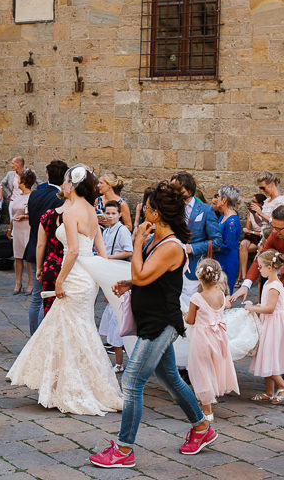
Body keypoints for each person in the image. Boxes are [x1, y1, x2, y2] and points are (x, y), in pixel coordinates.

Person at [90, 182, 215, 469]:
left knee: (132, 382)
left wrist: (135, 244)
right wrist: (130, 282)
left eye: (146, 208)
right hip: (152, 319)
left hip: (161, 324)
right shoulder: (158, 241)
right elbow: (150, 277)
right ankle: (201, 428)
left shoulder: (170, 246)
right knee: (170, 378)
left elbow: (145, 275)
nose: (144, 211)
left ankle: (123, 449)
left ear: (156, 214)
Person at [8, 165, 124, 415]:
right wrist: (102, 276)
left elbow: (71, 251)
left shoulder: (71, 213)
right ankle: (66, 382)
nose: (63, 185)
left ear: (73, 184)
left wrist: (60, 280)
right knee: (76, 328)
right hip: (87, 278)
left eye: (65, 181)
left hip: (73, 276)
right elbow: (100, 246)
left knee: (73, 329)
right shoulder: (92, 211)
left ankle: (70, 386)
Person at [185, 259, 239, 421]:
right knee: (214, 366)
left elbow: (190, 320)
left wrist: (184, 314)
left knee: (201, 370)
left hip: (202, 337)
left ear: (199, 278)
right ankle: (212, 396)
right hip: (218, 337)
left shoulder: (196, 297)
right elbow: (226, 307)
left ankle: (207, 411)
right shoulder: (221, 295)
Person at [245, 249, 284, 404]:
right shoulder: (268, 282)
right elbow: (266, 305)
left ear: (270, 267)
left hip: (274, 324)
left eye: (260, 266)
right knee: (265, 354)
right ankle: (268, 391)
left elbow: (270, 308)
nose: (258, 269)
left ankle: (283, 386)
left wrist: (252, 308)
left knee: (268, 355)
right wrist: (259, 305)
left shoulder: (274, 286)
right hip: (269, 322)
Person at [26, 160, 68, 334]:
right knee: (50, 297)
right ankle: (43, 337)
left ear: (48, 175)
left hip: (33, 245)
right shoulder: (59, 200)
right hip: (52, 252)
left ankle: (33, 335)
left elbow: (32, 221)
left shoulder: (35, 194)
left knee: (36, 297)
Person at [170, 172, 221, 295]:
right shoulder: (171, 208)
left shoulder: (206, 210)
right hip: (171, 266)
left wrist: (192, 248)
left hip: (194, 267)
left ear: (188, 188)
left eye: (178, 188)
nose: (174, 191)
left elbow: (217, 241)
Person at [97, 200, 133, 372]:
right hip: (109, 274)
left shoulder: (122, 230)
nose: (110, 216)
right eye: (107, 213)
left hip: (118, 273)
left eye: (113, 213)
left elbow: (129, 251)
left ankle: (120, 363)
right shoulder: (107, 231)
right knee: (112, 318)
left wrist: (108, 258)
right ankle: (117, 361)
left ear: (119, 214)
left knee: (118, 320)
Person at [8, 170, 35, 294]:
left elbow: (34, 214)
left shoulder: (33, 197)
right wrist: (10, 229)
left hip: (27, 228)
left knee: (28, 258)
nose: (17, 182)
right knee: (17, 257)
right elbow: (13, 215)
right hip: (17, 229)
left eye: (19, 179)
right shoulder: (18, 197)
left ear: (23, 182)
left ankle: (31, 283)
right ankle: (18, 283)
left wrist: (24, 217)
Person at [211, 186, 241, 292]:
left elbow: (227, 246)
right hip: (219, 259)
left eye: (218, 197)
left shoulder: (231, 221)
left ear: (224, 200)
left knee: (224, 291)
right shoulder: (223, 217)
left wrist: (208, 246)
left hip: (227, 261)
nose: (216, 199)